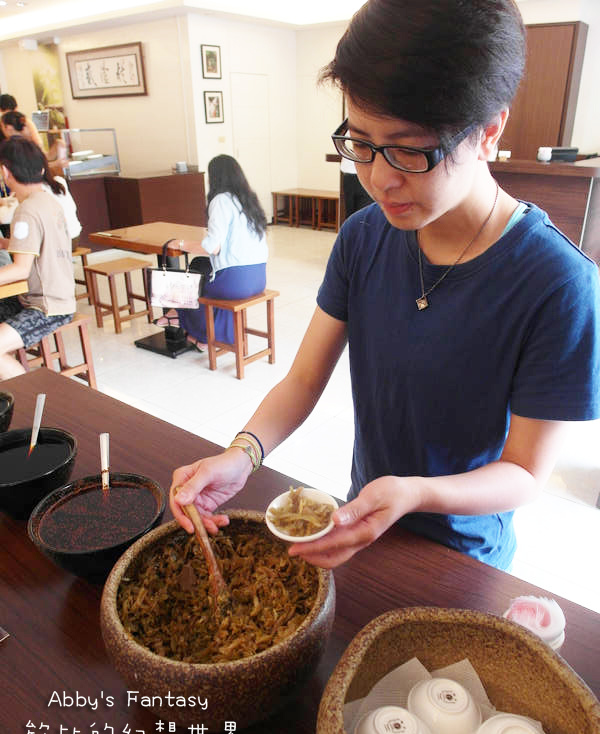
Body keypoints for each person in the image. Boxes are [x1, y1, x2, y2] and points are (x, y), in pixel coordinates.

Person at [170, 0, 600, 572]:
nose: (379, 178)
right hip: (363, 523)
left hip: (463, 557)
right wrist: (242, 454)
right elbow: (302, 380)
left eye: (408, 150)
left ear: (489, 130)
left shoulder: (557, 284)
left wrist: (416, 493)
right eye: (362, 143)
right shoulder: (363, 237)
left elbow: (524, 474)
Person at [156, 154, 268, 348]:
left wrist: (180, 244)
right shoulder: (249, 200)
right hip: (257, 278)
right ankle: (199, 332)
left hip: (235, 283)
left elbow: (213, 247)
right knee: (200, 266)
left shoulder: (221, 200)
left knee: (193, 284)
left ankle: (184, 321)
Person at [0, 136, 75, 380]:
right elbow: (38, 244)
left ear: (5, 171)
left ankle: (33, 406)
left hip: (47, 306)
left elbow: (21, 270)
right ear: (41, 169)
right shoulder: (48, 201)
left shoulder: (26, 210)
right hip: (57, 296)